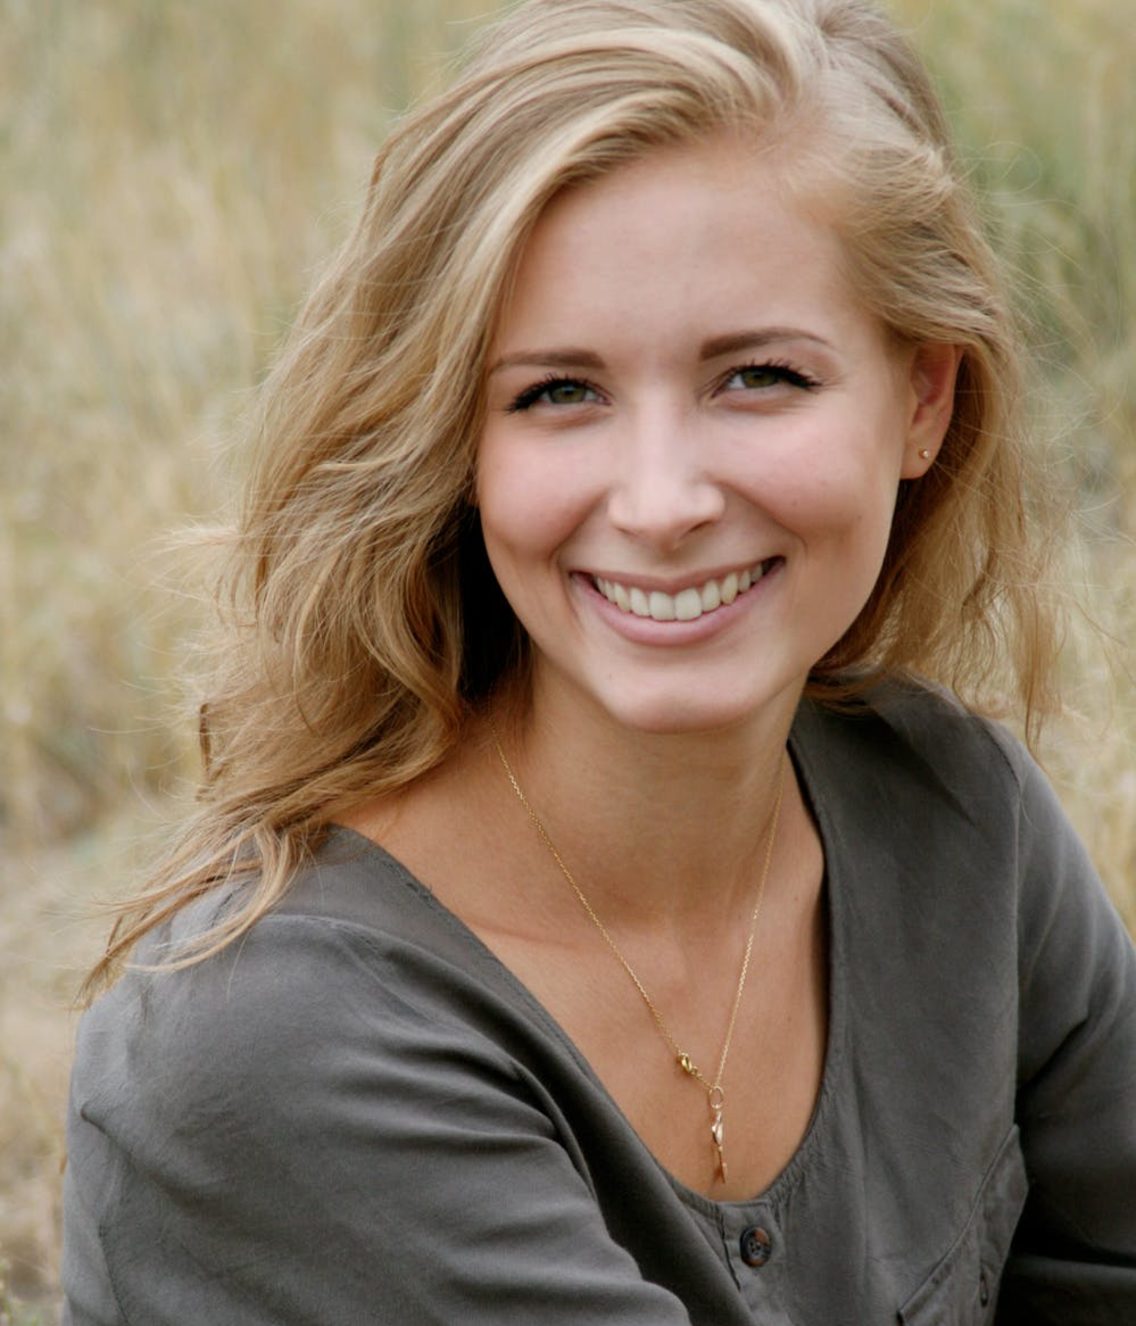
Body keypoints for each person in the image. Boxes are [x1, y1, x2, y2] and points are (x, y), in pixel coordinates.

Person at [61, 0, 1136, 1322]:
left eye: (758, 376)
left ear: (923, 398)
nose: (661, 500)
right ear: (453, 444)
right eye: (558, 393)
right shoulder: (275, 1044)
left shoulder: (958, 821)